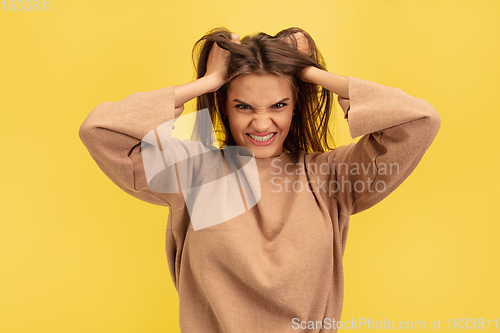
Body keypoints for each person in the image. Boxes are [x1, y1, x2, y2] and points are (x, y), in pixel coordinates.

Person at [79, 27, 441, 332]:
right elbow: (100, 131)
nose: (262, 123)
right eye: (244, 106)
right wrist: (209, 81)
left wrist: (308, 73)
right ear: (222, 105)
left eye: (278, 105)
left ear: (296, 104)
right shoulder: (192, 174)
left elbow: (419, 120)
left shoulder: (333, 177)